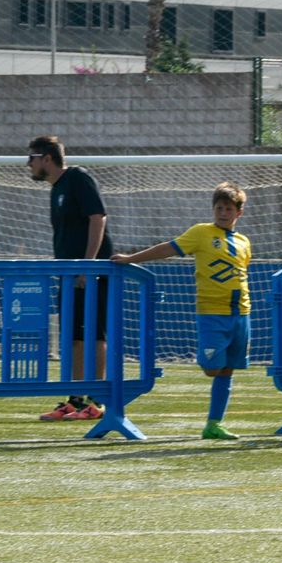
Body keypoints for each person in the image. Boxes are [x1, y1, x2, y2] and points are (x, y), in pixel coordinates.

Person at [110, 183, 250, 440]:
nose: (222, 213)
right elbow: (167, 248)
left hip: (241, 314)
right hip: (212, 313)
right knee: (212, 368)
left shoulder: (243, 242)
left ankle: (213, 424)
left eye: (228, 209)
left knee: (228, 369)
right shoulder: (201, 233)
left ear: (238, 213)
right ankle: (206, 362)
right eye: (219, 208)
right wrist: (131, 258)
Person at [30, 135, 114, 421]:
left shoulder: (78, 177)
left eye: (32, 158)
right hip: (70, 273)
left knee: (95, 333)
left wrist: (87, 266)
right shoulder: (56, 189)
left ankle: (97, 401)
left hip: (91, 272)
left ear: (47, 159)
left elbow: (98, 217)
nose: (29, 164)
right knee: (75, 335)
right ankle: (75, 400)